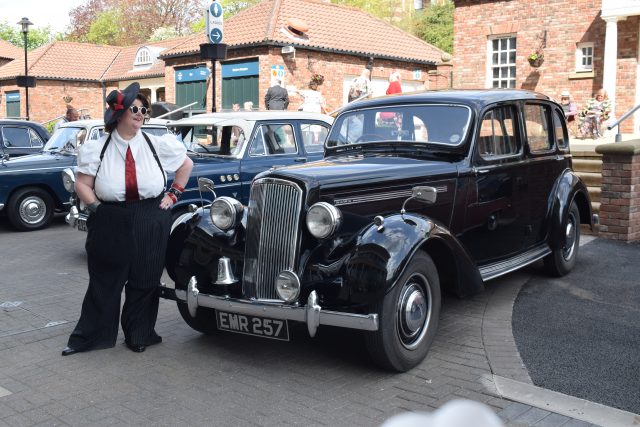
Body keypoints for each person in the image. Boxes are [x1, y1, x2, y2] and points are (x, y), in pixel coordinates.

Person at [62, 82, 193, 356]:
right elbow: (82, 184)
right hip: (110, 217)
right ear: (119, 114)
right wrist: (97, 208)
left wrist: (173, 195)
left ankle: (139, 333)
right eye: (135, 108)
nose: (141, 113)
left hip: (150, 216)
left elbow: (186, 165)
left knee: (145, 280)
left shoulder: (157, 144)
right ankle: (91, 337)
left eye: (144, 109)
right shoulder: (97, 148)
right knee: (105, 280)